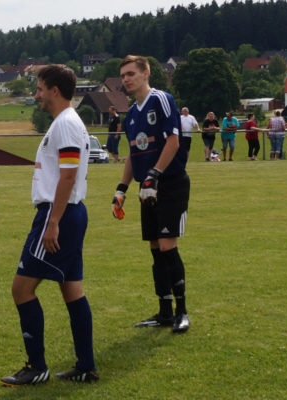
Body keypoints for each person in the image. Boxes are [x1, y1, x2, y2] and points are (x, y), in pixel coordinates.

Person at [0, 65, 98, 386]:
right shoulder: (67, 121)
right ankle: (86, 365)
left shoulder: (65, 123)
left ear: (55, 90)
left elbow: (68, 177)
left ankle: (36, 366)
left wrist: (52, 221)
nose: (37, 94)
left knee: (21, 289)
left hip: (59, 215)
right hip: (69, 213)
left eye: (40, 88)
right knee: (72, 289)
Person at [111, 55, 190, 333]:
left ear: (146, 73)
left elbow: (173, 141)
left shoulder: (161, 99)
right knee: (155, 248)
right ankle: (164, 312)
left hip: (170, 183)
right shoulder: (131, 114)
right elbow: (133, 155)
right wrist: (121, 189)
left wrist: (154, 174)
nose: (126, 79)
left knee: (167, 246)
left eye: (131, 73)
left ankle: (182, 311)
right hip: (147, 188)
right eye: (123, 75)